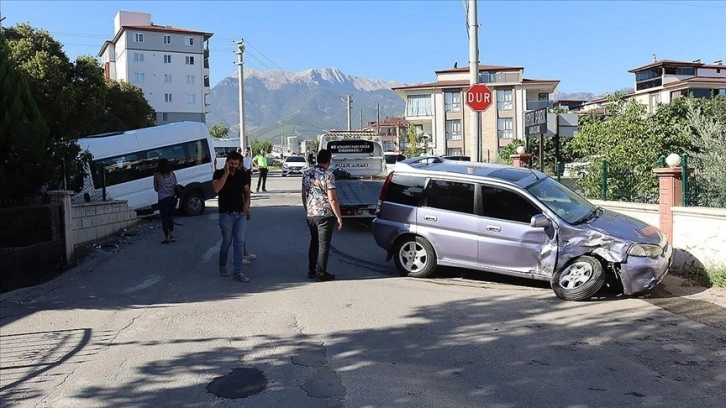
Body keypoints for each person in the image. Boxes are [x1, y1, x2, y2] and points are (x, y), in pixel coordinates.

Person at [301, 149, 343, 282]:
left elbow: (303, 194)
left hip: (311, 213)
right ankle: (321, 272)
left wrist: (307, 208)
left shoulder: (307, 173)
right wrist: (339, 216)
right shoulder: (328, 175)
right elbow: (332, 199)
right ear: (329, 160)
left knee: (314, 242)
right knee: (324, 244)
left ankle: (311, 270)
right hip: (324, 214)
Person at [212, 151, 251, 283]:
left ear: (239, 164)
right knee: (226, 242)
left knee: (239, 243)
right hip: (225, 215)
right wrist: (226, 173)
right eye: (231, 163)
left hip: (240, 214)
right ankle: (222, 266)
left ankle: (238, 272)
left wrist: (247, 205)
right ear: (227, 162)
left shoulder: (242, 175)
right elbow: (216, 189)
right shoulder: (218, 173)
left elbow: (246, 191)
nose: (234, 166)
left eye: (236, 164)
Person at [153, 158, 178, 244]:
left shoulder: (157, 175)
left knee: (164, 218)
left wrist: (162, 190)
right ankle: (172, 234)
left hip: (162, 199)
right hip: (172, 198)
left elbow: (156, 188)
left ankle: (167, 237)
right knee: (170, 216)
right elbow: (175, 184)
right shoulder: (172, 174)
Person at [241, 146, 256, 264]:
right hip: (235, 211)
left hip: (241, 210)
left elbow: (247, 192)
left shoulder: (245, 173)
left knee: (240, 233)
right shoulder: (238, 176)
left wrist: (247, 209)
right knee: (238, 234)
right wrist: (246, 210)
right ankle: (240, 255)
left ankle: (243, 252)